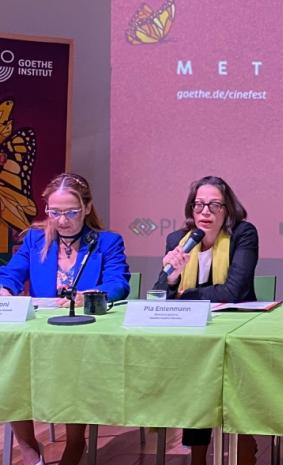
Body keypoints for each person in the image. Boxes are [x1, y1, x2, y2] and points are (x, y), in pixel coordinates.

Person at [0, 172, 130, 465]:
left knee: (74, 366)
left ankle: (75, 443)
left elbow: (118, 283)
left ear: (87, 207)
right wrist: (4, 288)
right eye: (54, 212)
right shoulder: (35, 240)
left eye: (70, 212)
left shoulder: (107, 242)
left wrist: (93, 294)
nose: (61, 220)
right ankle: (29, 449)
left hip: (81, 336)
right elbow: (10, 273)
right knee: (9, 365)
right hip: (40, 334)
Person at [152, 175, 258, 465]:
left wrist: (183, 296)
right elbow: (158, 296)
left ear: (227, 209)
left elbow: (233, 293)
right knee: (194, 378)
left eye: (214, 205)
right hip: (193, 334)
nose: (205, 212)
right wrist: (171, 278)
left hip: (234, 330)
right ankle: (197, 456)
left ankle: (243, 445)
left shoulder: (243, 234)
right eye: (199, 205)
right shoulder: (178, 240)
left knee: (230, 382)